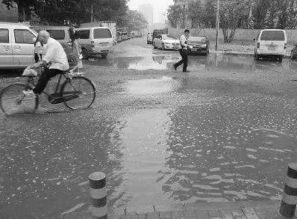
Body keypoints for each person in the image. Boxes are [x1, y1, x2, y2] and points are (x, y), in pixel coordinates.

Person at [23, 30, 69, 97]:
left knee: (46, 74)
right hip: (56, 64)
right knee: (44, 73)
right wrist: (40, 64)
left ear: (44, 37)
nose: (40, 42)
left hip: (61, 65)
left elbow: (46, 59)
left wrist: (34, 66)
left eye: (41, 40)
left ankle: (35, 92)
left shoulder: (52, 43)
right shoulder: (48, 43)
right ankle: (37, 91)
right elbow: (45, 56)